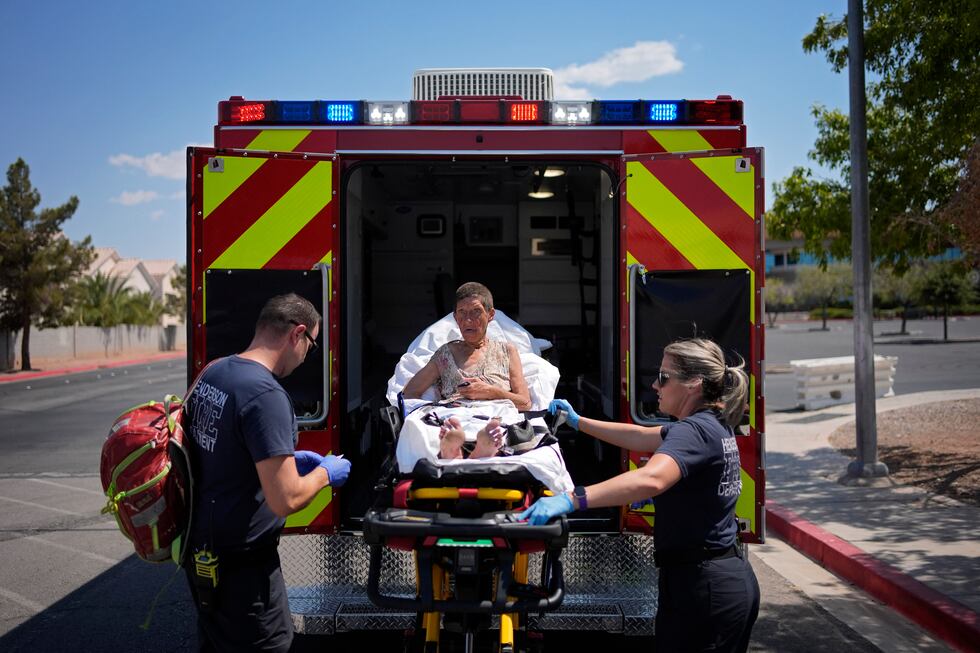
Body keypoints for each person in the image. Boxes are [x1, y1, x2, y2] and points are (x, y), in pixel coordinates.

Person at [519, 338, 760, 653]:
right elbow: (642, 436)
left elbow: (652, 478)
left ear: (693, 384)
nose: (654, 385)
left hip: (705, 587)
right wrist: (578, 422)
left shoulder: (694, 431)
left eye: (663, 377)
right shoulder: (710, 422)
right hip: (712, 578)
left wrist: (572, 498)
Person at [184, 293, 351, 653]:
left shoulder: (215, 371)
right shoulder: (265, 395)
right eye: (311, 345)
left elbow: (222, 450)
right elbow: (286, 498)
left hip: (203, 553)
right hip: (243, 568)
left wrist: (282, 459)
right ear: (297, 334)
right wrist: (326, 473)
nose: (306, 356)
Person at [402, 281, 531, 412]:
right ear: (455, 318)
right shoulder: (445, 355)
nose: (468, 320)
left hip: (498, 420)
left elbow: (525, 403)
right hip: (455, 419)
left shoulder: (506, 352)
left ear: (490, 315)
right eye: (462, 312)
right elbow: (409, 394)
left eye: (476, 311)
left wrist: (491, 392)